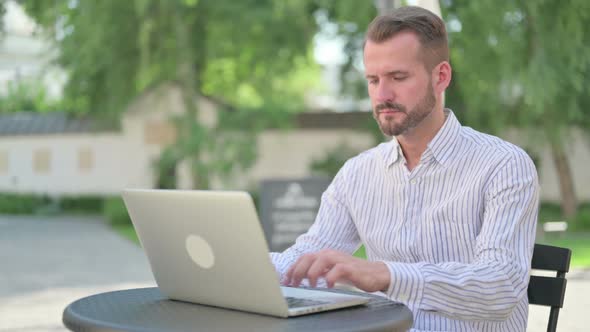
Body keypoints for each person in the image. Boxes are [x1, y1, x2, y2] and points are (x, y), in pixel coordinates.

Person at [270, 5, 539, 331]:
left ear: (440, 77)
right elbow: (309, 257)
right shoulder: (358, 173)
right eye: (373, 79)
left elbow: (499, 286)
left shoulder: (503, 165)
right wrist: (237, 265)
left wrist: (386, 273)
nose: (382, 95)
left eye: (398, 77)